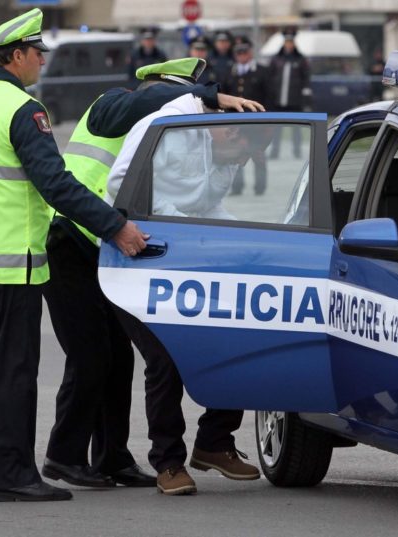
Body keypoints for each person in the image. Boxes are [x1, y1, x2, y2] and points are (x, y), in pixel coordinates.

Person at [0, 8, 148, 504]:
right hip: (13, 265)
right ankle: (11, 475)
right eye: (37, 55)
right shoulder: (22, 110)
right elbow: (57, 184)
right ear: (17, 55)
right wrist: (115, 227)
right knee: (13, 372)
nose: (41, 64)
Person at [41, 57, 260, 490]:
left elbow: (199, 199)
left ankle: (111, 457)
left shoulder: (184, 135)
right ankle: (63, 456)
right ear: (167, 87)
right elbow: (160, 108)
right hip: (73, 239)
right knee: (91, 357)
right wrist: (204, 96)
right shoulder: (114, 104)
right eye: (190, 94)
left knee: (118, 359)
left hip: (112, 243)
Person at [104, 77, 267, 496]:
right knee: (165, 361)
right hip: (139, 262)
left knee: (236, 345)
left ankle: (214, 442)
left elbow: (209, 206)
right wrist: (179, 227)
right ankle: (169, 462)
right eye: (241, 153)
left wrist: (254, 239)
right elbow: (119, 184)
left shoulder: (223, 151)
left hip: (186, 267)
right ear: (227, 126)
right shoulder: (170, 125)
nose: (241, 163)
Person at [222, 36, 271, 195]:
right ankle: (237, 187)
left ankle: (260, 188)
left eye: (244, 52)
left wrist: (268, 121)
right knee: (236, 155)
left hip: (257, 123)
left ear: (250, 52)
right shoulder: (230, 72)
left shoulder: (262, 71)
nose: (242, 56)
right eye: (238, 53)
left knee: (258, 155)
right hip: (237, 123)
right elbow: (225, 97)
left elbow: (269, 96)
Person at [268, 27, 311, 159]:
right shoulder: (276, 59)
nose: (289, 44)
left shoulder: (301, 59)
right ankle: (275, 151)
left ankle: (297, 151)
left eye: (291, 42)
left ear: (294, 43)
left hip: (295, 100)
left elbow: (306, 79)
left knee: (296, 129)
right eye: (287, 41)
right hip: (278, 100)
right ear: (284, 43)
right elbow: (270, 77)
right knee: (276, 129)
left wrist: (305, 99)